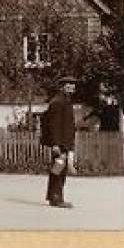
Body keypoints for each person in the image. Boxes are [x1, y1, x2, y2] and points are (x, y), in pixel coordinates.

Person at [40, 76, 79, 208]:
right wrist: (55, 144)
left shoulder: (65, 101)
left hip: (64, 143)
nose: (72, 88)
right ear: (62, 87)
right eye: (69, 86)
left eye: (73, 86)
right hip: (60, 144)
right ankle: (57, 198)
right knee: (58, 171)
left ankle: (53, 197)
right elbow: (54, 126)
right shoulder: (57, 102)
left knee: (57, 170)